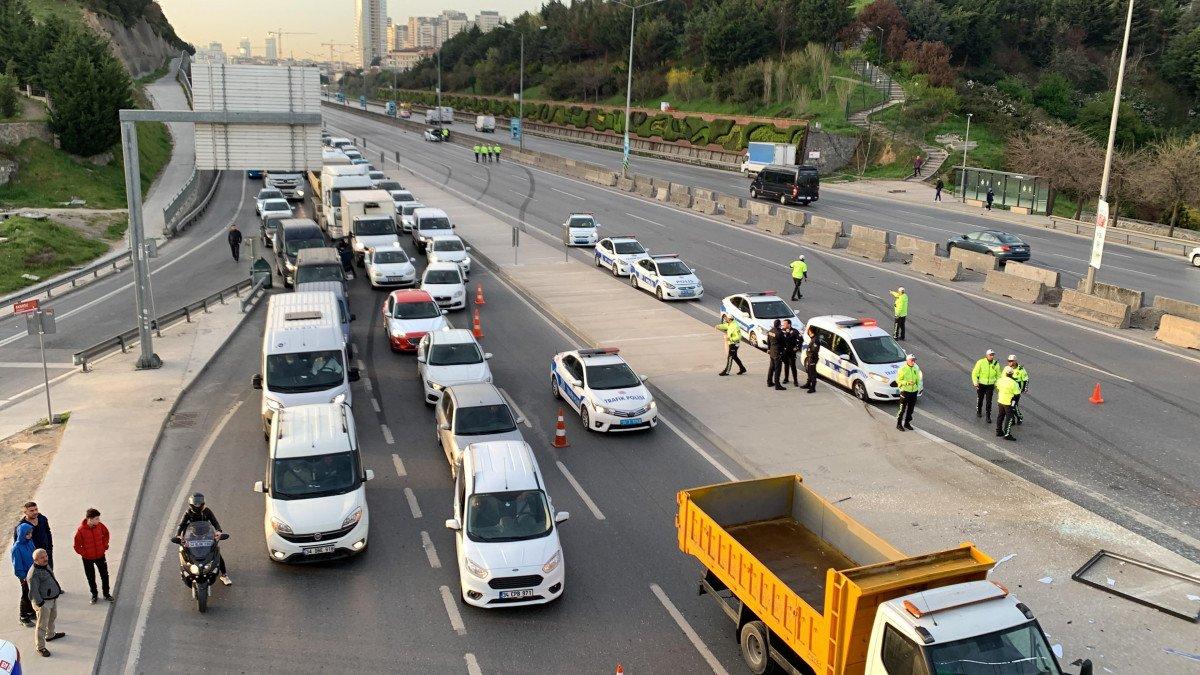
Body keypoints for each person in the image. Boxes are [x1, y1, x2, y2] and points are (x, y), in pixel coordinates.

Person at [175, 494, 230, 586]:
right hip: (192, 536)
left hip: (206, 536)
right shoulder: (188, 513)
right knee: (185, 553)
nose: (198, 505)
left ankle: (224, 575)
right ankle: (186, 572)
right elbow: (181, 524)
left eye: (199, 503)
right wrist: (178, 535)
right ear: (192, 504)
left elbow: (214, 522)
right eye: (196, 504)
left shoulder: (207, 511)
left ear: (203, 503)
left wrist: (218, 531)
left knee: (217, 555)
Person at [27, 549, 64, 657]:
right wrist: (41, 603)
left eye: (46, 556)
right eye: (42, 557)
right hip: (44, 602)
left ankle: (50, 635)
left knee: (52, 617)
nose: (45, 558)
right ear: (36, 560)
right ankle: (40, 647)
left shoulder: (45, 565)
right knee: (41, 625)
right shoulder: (33, 574)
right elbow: (33, 591)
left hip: (52, 598)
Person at [73, 508, 112, 604]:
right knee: (91, 577)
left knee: (104, 575)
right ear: (90, 519)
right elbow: (77, 546)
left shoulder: (100, 526)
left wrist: (104, 545)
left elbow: (106, 534)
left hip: (100, 556)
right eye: (97, 518)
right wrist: (85, 553)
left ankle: (106, 594)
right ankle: (94, 595)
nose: (99, 520)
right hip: (87, 559)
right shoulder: (81, 531)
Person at [13, 502, 54, 571]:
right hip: (32, 559)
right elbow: (17, 544)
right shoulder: (21, 526)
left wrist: (50, 548)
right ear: (25, 512)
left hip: (46, 554)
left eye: (36, 509)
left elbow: (48, 533)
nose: (35, 512)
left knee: (49, 574)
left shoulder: (42, 518)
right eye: (31, 511)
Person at [11, 522, 36, 627]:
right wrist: (23, 577)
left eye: (30, 533)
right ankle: (23, 616)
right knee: (25, 595)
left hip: (34, 573)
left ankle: (30, 611)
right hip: (25, 576)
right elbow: (17, 566)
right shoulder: (16, 548)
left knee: (32, 593)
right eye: (27, 534)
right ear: (21, 534)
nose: (30, 535)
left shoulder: (30, 542)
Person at [971, 349, 1002, 423]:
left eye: (993, 355)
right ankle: (979, 411)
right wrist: (975, 382)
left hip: (990, 385)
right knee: (980, 399)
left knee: (989, 401)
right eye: (990, 355)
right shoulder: (980, 362)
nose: (992, 356)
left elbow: (999, 375)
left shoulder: (996, 364)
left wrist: (997, 385)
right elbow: (974, 373)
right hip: (981, 384)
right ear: (986, 355)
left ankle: (988, 416)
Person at [896, 354, 921, 431]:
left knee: (911, 409)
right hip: (905, 392)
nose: (913, 362)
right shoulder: (902, 369)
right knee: (902, 409)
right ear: (907, 360)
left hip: (914, 392)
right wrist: (907, 383)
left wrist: (918, 388)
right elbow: (898, 380)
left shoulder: (916, 367)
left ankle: (907, 423)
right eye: (912, 360)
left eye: (914, 360)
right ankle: (899, 424)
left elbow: (918, 379)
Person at [995, 367, 1020, 440]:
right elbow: (1017, 394)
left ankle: (998, 431)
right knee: (1009, 418)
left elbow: (997, 387)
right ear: (1012, 374)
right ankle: (1007, 434)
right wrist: (1014, 404)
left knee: (1000, 416)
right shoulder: (1014, 383)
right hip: (1009, 402)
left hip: (1000, 400)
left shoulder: (1000, 380)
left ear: (1005, 373)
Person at [1007, 355, 1029, 424]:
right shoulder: (1007, 368)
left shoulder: (1021, 369)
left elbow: (1026, 379)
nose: (1009, 362)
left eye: (1011, 361)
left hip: (1016, 392)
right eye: (1008, 361)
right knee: (1009, 406)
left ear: (1015, 361)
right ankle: (1012, 419)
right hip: (1008, 391)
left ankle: (1019, 417)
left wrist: (1025, 388)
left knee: (1013, 405)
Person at [779, 319, 800, 386]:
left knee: (793, 366)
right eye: (783, 324)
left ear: (789, 324)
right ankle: (786, 378)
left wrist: (797, 348)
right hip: (785, 352)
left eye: (785, 324)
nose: (783, 325)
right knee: (786, 365)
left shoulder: (794, 331)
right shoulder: (782, 331)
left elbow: (800, 340)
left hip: (791, 352)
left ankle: (795, 380)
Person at [766, 319, 784, 390]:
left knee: (771, 368)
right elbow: (783, 343)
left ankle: (769, 382)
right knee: (777, 369)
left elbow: (768, 341)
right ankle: (777, 385)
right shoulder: (780, 332)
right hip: (777, 353)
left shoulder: (770, 331)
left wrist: (769, 349)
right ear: (779, 325)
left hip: (772, 352)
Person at [802, 327, 820, 393]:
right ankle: (808, 384)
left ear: (811, 331)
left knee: (812, 373)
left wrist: (809, 354)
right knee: (809, 371)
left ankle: (813, 388)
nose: (807, 332)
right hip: (810, 358)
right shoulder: (813, 338)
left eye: (808, 331)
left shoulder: (815, 340)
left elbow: (814, 351)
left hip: (812, 359)